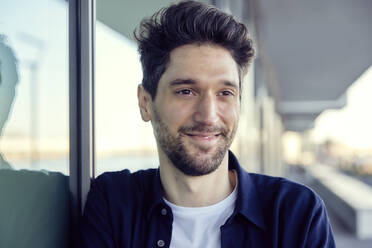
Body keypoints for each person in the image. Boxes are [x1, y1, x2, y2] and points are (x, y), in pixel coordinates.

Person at [80, 1, 335, 247]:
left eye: (225, 93)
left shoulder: (296, 213)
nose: (208, 116)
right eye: (186, 91)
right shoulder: (114, 202)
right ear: (146, 103)